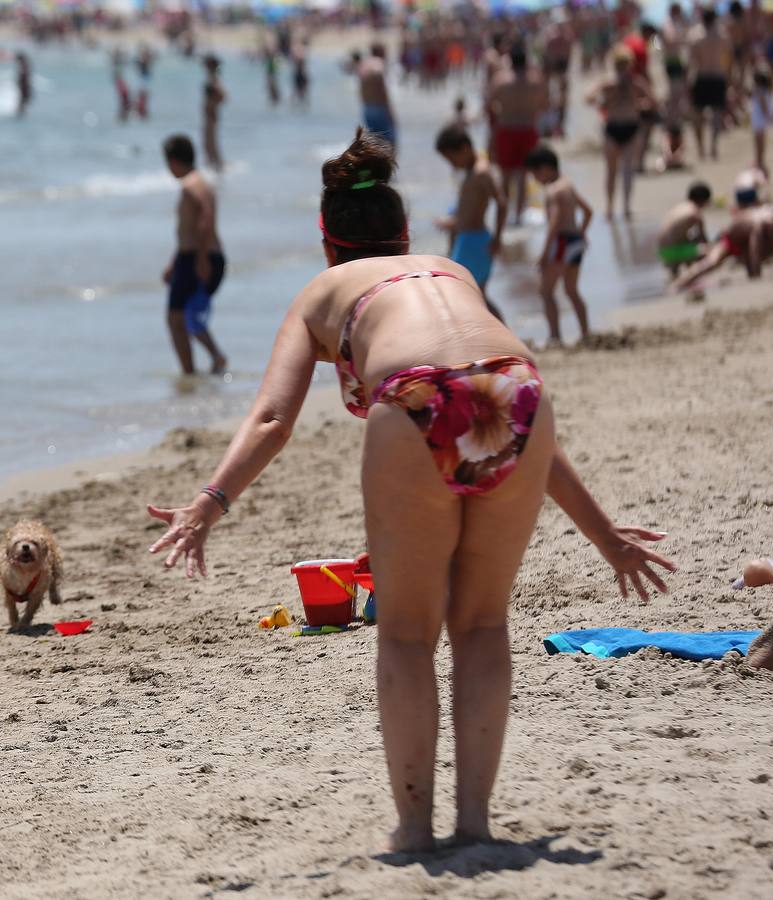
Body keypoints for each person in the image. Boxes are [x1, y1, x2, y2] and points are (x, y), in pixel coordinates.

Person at [145, 132, 672, 853]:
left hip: (415, 397)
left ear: (328, 244)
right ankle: (476, 826)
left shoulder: (322, 291)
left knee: (406, 634)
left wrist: (210, 502)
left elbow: (272, 419)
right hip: (519, 389)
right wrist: (605, 535)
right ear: (405, 235)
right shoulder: (451, 270)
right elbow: (494, 401)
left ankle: (418, 828)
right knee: (482, 625)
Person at [161, 135, 228, 376]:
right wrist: (173, 263)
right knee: (185, 315)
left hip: (197, 258)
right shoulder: (202, 182)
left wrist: (200, 258)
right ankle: (215, 357)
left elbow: (205, 219)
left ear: (173, 161)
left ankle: (190, 372)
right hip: (195, 256)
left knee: (175, 318)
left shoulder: (190, 185)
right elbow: (189, 230)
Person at [434, 125, 506, 316]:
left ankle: (502, 334)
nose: (452, 165)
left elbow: (502, 202)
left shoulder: (481, 171)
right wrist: (451, 222)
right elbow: (469, 211)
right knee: (473, 294)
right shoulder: (471, 172)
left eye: (452, 159)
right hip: (467, 239)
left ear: (464, 148)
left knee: (463, 292)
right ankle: (500, 334)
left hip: (475, 241)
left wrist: (498, 238)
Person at [527, 145, 593, 345]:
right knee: (572, 291)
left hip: (562, 241)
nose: (535, 179)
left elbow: (554, 223)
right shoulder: (568, 185)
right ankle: (585, 333)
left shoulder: (553, 190)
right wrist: (581, 233)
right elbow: (588, 211)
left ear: (545, 168)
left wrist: (545, 252)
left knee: (546, 291)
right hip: (575, 241)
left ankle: (555, 336)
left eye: (534, 173)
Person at [586, 48, 655, 219]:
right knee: (624, 171)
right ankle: (621, 207)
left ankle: (614, 208)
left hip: (619, 127)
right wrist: (605, 101)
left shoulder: (622, 83)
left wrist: (636, 104)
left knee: (615, 171)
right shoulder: (622, 83)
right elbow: (653, 101)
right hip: (624, 126)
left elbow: (588, 97)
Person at [487, 47, 548, 223]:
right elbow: (545, 105)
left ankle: (504, 216)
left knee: (505, 175)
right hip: (528, 128)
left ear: (510, 60)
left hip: (506, 127)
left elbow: (490, 105)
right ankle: (519, 216)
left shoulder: (500, 80)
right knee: (523, 175)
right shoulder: (536, 80)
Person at [691, 7, 730, 161]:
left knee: (699, 115)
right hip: (718, 76)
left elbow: (692, 60)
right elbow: (729, 57)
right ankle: (713, 147)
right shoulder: (722, 35)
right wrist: (729, 76)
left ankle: (701, 149)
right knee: (716, 115)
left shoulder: (696, 35)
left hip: (702, 76)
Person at [657, 181, 712, 276]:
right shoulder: (695, 213)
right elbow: (703, 239)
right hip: (671, 252)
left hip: (662, 252)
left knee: (689, 241)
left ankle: (676, 272)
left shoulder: (681, 207)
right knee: (705, 250)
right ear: (703, 200)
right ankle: (693, 275)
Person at [358, 43, 396, 150]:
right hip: (379, 108)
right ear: (380, 52)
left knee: (373, 144)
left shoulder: (363, 64)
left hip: (367, 108)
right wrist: (390, 111)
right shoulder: (379, 64)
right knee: (389, 143)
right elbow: (382, 90)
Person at [751, 69, 773, 177]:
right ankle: (759, 162)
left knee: (759, 143)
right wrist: (770, 117)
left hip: (758, 121)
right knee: (760, 144)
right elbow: (764, 107)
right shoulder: (762, 92)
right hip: (760, 121)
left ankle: (759, 161)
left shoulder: (759, 91)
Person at [201, 54, 226, 171]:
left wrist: (213, 105)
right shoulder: (212, 76)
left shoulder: (214, 78)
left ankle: (217, 166)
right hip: (209, 113)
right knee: (208, 142)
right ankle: (214, 166)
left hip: (211, 113)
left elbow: (223, 96)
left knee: (210, 142)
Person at [15, 51, 33, 118]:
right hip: (24, 87)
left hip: (24, 87)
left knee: (22, 102)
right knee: (23, 102)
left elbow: (23, 79)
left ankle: (21, 114)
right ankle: (21, 114)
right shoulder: (25, 66)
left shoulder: (24, 67)